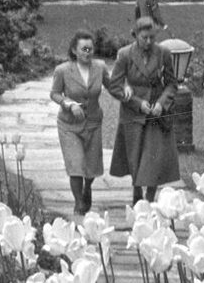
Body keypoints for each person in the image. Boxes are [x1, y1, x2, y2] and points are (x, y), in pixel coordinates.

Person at [107, 16, 180, 205]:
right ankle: (137, 192)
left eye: (152, 38)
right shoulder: (125, 55)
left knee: (153, 158)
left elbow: (172, 84)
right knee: (135, 157)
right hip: (133, 113)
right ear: (135, 35)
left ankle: (149, 200)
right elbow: (114, 86)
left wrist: (161, 103)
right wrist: (137, 102)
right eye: (144, 37)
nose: (148, 42)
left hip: (156, 114)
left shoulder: (163, 53)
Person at [50, 31, 107, 215]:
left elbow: (113, 85)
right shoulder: (63, 70)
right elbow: (55, 94)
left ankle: (87, 187)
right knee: (76, 165)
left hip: (93, 123)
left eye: (90, 49)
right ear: (74, 51)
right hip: (69, 125)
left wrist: (127, 89)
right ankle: (78, 203)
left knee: (91, 168)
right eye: (84, 49)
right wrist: (69, 103)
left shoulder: (100, 67)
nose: (88, 52)